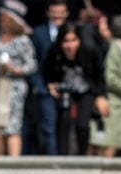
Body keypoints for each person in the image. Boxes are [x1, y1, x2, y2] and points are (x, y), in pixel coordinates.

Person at [43, 22, 107, 155]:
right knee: (64, 121)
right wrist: (50, 84)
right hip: (66, 89)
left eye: (74, 41)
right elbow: (46, 71)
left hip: (86, 89)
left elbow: (100, 74)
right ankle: (63, 156)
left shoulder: (89, 50)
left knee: (82, 125)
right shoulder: (55, 51)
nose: (70, 45)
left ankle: (82, 155)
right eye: (66, 41)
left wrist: (101, 96)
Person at [0, 0, 36, 157]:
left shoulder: (23, 40)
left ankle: (13, 164)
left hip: (13, 87)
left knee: (12, 127)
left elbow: (31, 65)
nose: (1, 19)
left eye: (5, 17)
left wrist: (14, 69)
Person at [89, 15, 121, 158]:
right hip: (111, 104)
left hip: (120, 105)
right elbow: (110, 77)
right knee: (108, 144)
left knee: (116, 143)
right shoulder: (114, 48)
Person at [28, 0, 69, 155]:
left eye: (61, 12)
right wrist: (43, 86)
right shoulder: (38, 33)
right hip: (45, 88)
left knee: (66, 129)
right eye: (54, 12)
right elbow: (34, 63)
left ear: (66, 13)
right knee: (48, 129)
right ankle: (53, 164)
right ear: (48, 13)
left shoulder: (73, 31)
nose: (57, 15)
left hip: (69, 87)